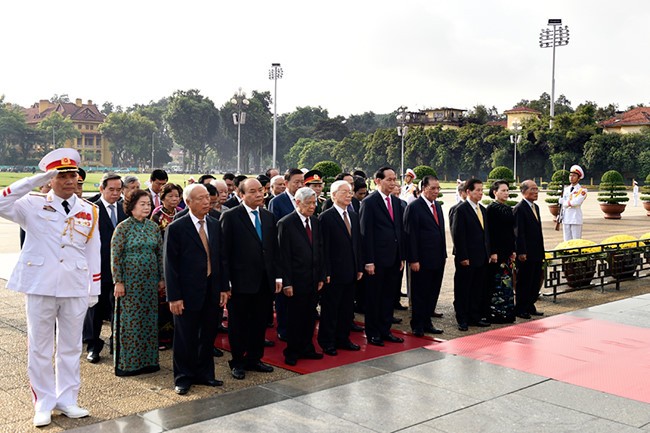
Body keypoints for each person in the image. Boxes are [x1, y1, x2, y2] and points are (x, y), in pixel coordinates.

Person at [0, 148, 99, 427]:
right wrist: (33, 181)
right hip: (41, 283)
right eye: (63, 176)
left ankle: (67, 399)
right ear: (50, 179)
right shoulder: (31, 203)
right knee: (40, 347)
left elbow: (93, 250)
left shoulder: (89, 210)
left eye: (73, 175)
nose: (70, 181)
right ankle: (43, 401)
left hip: (75, 285)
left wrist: (95, 288)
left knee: (70, 347)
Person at [164, 184, 228, 395]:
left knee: (208, 334)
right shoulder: (177, 227)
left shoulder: (214, 223)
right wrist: (174, 297)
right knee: (185, 336)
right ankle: (183, 377)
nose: (206, 201)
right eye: (200, 198)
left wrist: (223, 288)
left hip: (211, 289)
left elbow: (220, 259)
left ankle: (205, 374)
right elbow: (170, 265)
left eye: (207, 197)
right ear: (188, 202)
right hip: (187, 291)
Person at [221, 178, 281, 380]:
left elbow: (274, 250)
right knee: (238, 324)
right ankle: (237, 361)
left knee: (259, 322)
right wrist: (226, 282)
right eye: (253, 191)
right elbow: (224, 253)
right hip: (240, 282)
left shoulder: (268, 216)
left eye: (261, 191)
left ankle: (255, 358)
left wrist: (277, 277)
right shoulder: (230, 217)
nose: (259, 194)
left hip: (264, 281)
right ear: (241, 194)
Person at [111, 189, 164, 376]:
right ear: (132, 207)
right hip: (130, 283)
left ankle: (149, 361)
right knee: (130, 321)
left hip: (149, 282)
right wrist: (118, 281)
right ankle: (128, 364)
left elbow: (159, 254)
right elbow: (115, 256)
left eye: (148, 204)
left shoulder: (153, 227)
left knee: (149, 320)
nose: (146, 207)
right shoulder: (123, 228)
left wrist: (161, 278)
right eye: (142, 204)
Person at [278, 187, 326, 366]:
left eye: (314, 203)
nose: (313, 206)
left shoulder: (315, 221)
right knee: (295, 319)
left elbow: (320, 250)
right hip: (295, 280)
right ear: (297, 203)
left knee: (309, 316)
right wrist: (287, 283)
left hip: (313, 279)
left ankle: (307, 348)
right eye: (309, 203)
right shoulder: (286, 223)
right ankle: (292, 351)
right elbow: (283, 256)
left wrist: (321, 275)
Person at [359, 167, 406, 346]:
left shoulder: (396, 202)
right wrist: (368, 260)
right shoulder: (369, 202)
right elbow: (366, 233)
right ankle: (373, 333)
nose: (393, 182)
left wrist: (401, 256)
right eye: (389, 179)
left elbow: (399, 231)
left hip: (393, 259)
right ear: (378, 181)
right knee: (374, 298)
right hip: (376, 260)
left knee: (388, 297)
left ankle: (386, 330)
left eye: (394, 179)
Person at [84, 173, 126, 364]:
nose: (116, 193)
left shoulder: (125, 208)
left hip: (120, 271)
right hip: (98, 268)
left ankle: (117, 343)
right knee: (95, 310)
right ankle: (93, 346)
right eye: (111, 190)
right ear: (101, 189)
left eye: (119, 190)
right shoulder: (91, 209)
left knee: (117, 309)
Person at [318, 180, 363, 355]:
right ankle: (327, 341)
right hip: (333, 273)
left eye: (350, 192)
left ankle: (343, 338)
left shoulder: (353, 215)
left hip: (351, 271)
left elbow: (357, 244)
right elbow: (324, 248)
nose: (349, 195)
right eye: (345, 192)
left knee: (346, 309)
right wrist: (326, 272)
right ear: (334, 195)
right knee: (331, 309)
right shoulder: (326, 217)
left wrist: (359, 266)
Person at [403, 175, 446, 336]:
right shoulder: (414, 207)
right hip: (421, 259)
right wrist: (413, 259)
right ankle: (418, 324)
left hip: (438, 258)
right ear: (423, 188)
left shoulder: (438, 206)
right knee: (420, 293)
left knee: (432, 292)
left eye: (438, 188)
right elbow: (410, 235)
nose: (436, 191)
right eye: (432, 188)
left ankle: (427, 321)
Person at [451, 178, 495, 332]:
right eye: (477, 190)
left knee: (477, 289)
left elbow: (487, 235)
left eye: (482, 191)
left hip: (482, 257)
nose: (481, 193)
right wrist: (463, 256)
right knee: (464, 289)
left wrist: (489, 253)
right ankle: (462, 319)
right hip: (467, 258)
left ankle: (474, 317)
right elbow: (458, 235)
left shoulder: (482, 209)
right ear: (468, 191)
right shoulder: (461, 210)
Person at [269, 168, 304, 340]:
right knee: (284, 295)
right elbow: (274, 230)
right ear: (287, 183)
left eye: (301, 182)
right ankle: (283, 327)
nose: (299, 185)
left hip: (301, 257)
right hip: (283, 255)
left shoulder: (306, 199)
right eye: (296, 182)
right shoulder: (278, 202)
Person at [150, 183, 183, 350]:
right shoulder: (157, 216)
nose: (174, 199)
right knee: (163, 301)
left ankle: (174, 336)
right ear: (162, 198)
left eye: (176, 196)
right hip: (162, 258)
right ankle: (161, 338)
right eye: (170, 196)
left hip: (179, 258)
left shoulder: (180, 213)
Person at [513, 180, 545, 319]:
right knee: (524, 281)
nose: (535, 192)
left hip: (536, 251)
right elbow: (519, 233)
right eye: (532, 189)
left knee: (534, 280)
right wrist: (521, 251)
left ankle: (530, 304)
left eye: (537, 189)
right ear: (523, 191)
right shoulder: (519, 209)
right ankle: (521, 307)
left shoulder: (535, 207)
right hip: (526, 253)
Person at [486, 180, 516, 324]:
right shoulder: (491, 209)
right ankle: (496, 313)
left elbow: (511, 232)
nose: (506, 193)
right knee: (498, 284)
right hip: (497, 253)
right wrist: (493, 252)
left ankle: (508, 312)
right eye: (503, 190)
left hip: (508, 253)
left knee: (508, 285)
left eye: (507, 190)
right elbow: (490, 233)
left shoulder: (508, 208)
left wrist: (513, 250)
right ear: (494, 192)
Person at [559, 164, 587, 241]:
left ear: (578, 178)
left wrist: (565, 203)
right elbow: (561, 202)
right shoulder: (566, 189)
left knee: (576, 241)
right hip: (566, 218)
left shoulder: (582, 190)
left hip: (575, 218)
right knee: (566, 241)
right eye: (570, 175)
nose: (571, 177)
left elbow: (577, 202)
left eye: (574, 176)